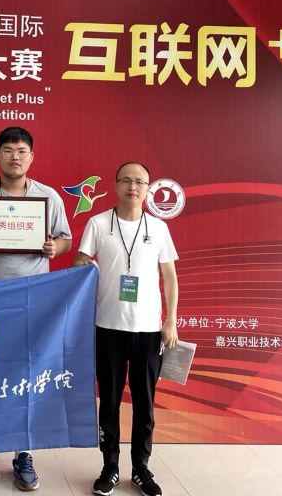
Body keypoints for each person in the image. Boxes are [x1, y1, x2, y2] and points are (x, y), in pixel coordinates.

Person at [0, 126, 72, 491]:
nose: (15, 157)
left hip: (31, 301)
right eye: (8, 150)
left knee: (26, 376)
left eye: (21, 151)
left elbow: (66, 240)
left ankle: (24, 452)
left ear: (31, 157)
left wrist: (55, 248)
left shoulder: (48, 197)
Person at [73, 162, 179, 496]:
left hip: (148, 330)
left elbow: (169, 276)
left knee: (145, 403)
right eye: (126, 181)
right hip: (108, 326)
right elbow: (79, 262)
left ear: (148, 188)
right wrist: (86, 264)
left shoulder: (158, 228)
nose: (133, 187)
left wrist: (170, 321)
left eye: (140, 182)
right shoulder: (98, 223)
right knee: (109, 402)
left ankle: (141, 469)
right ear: (116, 185)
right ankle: (110, 467)